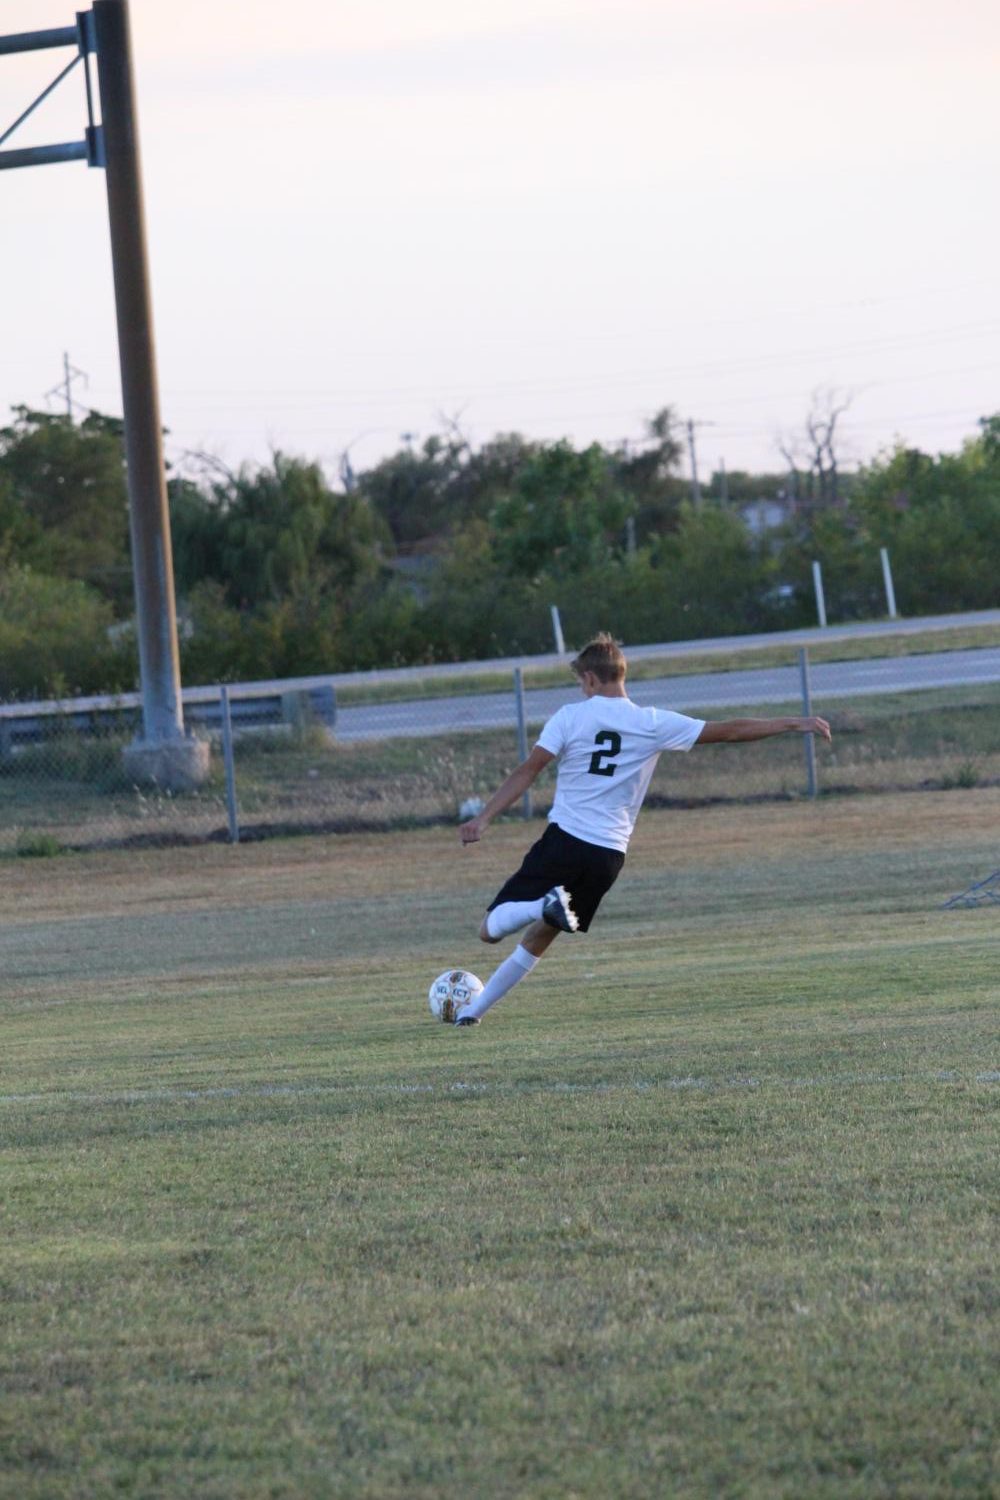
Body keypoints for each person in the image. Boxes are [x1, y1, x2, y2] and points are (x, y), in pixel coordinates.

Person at [454, 632, 831, 1026]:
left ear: (590, 679)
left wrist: (484, 818)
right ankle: (474, 1013)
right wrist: (792, 722)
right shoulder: (652, 722)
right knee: (540, 936)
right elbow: (729, 731)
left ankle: (538, 904)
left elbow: (528, 770)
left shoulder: (570, 716)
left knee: (488, 930)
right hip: (608, 856)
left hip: (565, 841)